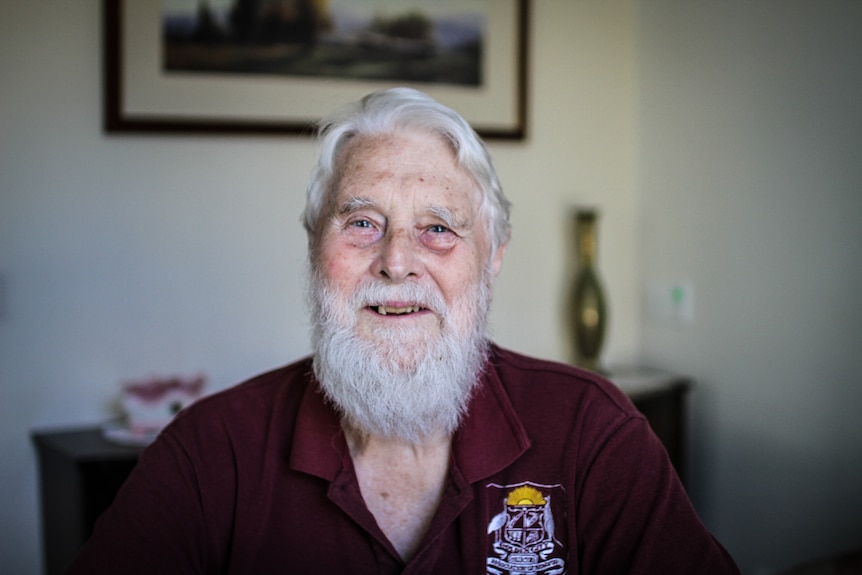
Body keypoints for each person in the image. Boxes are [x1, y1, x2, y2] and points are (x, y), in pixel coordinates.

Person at [66, 87, 739, 574]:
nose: (395, 260)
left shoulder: (593, 431)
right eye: (361, 222)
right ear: (313, 250)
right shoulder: (208, 454)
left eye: (438, 228)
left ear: (492, 259)